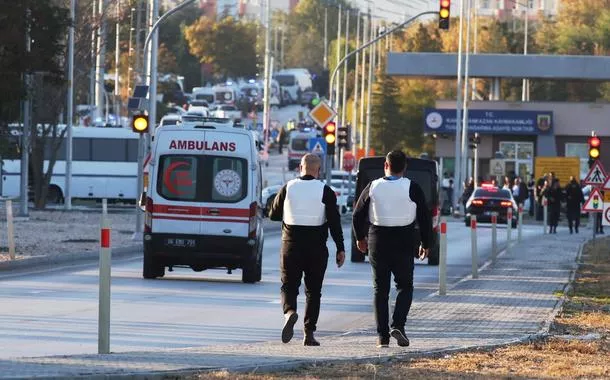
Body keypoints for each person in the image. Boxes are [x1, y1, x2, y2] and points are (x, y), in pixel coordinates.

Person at [352, 150, 433, 348]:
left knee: (381, 290)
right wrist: (426, 243)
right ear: (404, 167)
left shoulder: (373, 186)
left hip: (377, 239)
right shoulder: (412, 187)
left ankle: (382, 337)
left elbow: (357, 214)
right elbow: (424, 217)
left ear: (385, 166)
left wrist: (360, 238)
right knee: (405, 286)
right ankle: (398, 324)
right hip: (405, 239)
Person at [269, 153, 345, 346]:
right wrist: (340, 248)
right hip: (316, 248)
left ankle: (289, 312)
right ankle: (309, 334)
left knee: (288, 285)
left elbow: (273, 214)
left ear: (300, 168)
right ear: (318, 170)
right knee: (313, 291)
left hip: (290, 245)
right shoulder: (325, 191)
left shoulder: (288, 188)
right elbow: (335, 222)